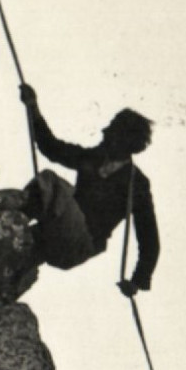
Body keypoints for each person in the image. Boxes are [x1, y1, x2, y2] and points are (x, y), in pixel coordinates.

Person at [19, 84, 160, 297]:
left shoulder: (136, 185)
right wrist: (33, 109)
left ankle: (15, 216)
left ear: (124, 140)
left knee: (51, 182)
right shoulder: (94, 158)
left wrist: (137, 281)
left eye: (111, 129)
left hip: (80, 244)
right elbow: (53, 148)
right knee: (20, 250)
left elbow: (149, 239)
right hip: (61, 235)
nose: (104, 131)